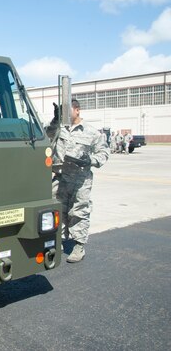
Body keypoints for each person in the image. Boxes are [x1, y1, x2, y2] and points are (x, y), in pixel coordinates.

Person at [47, 99, 109, 263]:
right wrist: (55, 119)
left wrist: (90, 160)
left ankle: (78, 245)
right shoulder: (59, 129)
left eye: (67, 111)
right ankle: (58, 241)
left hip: (80, 179)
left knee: (79, 212)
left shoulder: (92, 132)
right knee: (57, 211)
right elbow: (47, 136)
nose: (65, 114)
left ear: (77, 110)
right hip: (60, 177)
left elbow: (104, 153)